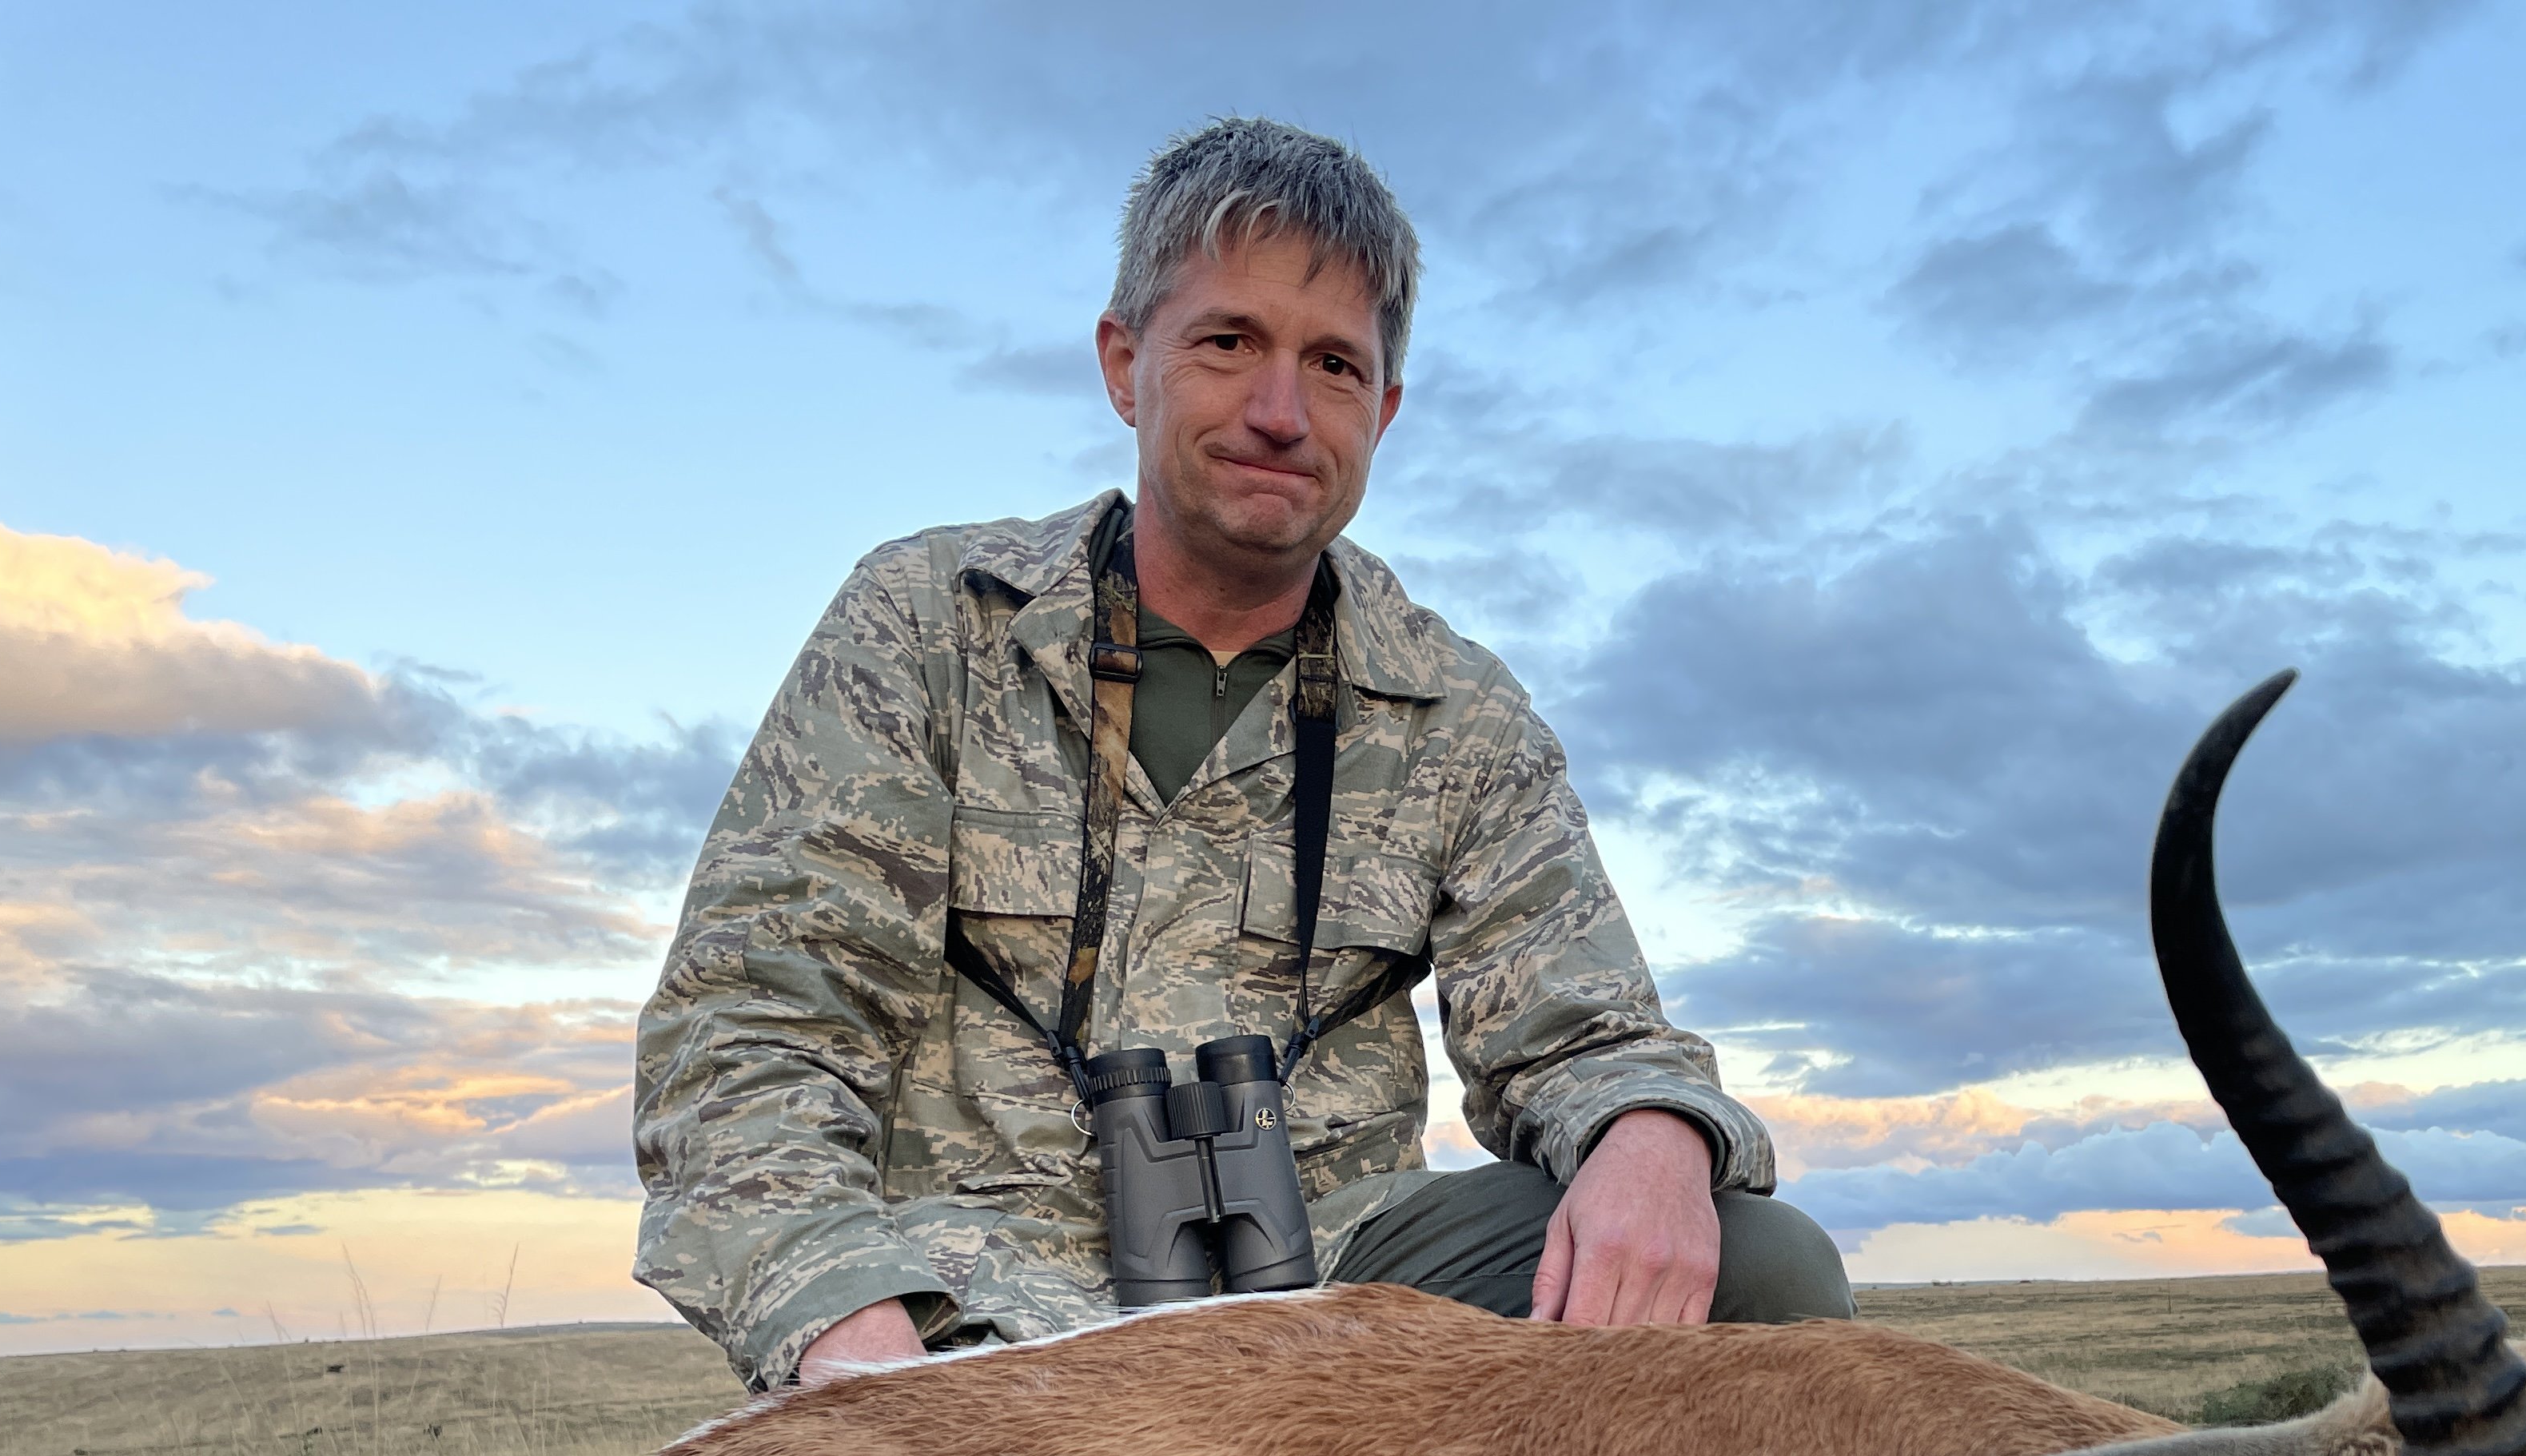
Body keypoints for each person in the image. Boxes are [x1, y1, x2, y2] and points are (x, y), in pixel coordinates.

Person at [635, 119, 1851, 1390]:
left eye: (1333, 366)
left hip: (1341, 1292)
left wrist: (1653, 1137)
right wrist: (849, 1335)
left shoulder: (1459, 710)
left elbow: (1588, 1034)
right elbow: (755, 1023)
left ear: (1382, 409)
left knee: (1765, 1277)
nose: (1281, 413)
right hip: (978, 1317)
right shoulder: (929, 621)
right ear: (1124, 363)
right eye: (1228, 343)